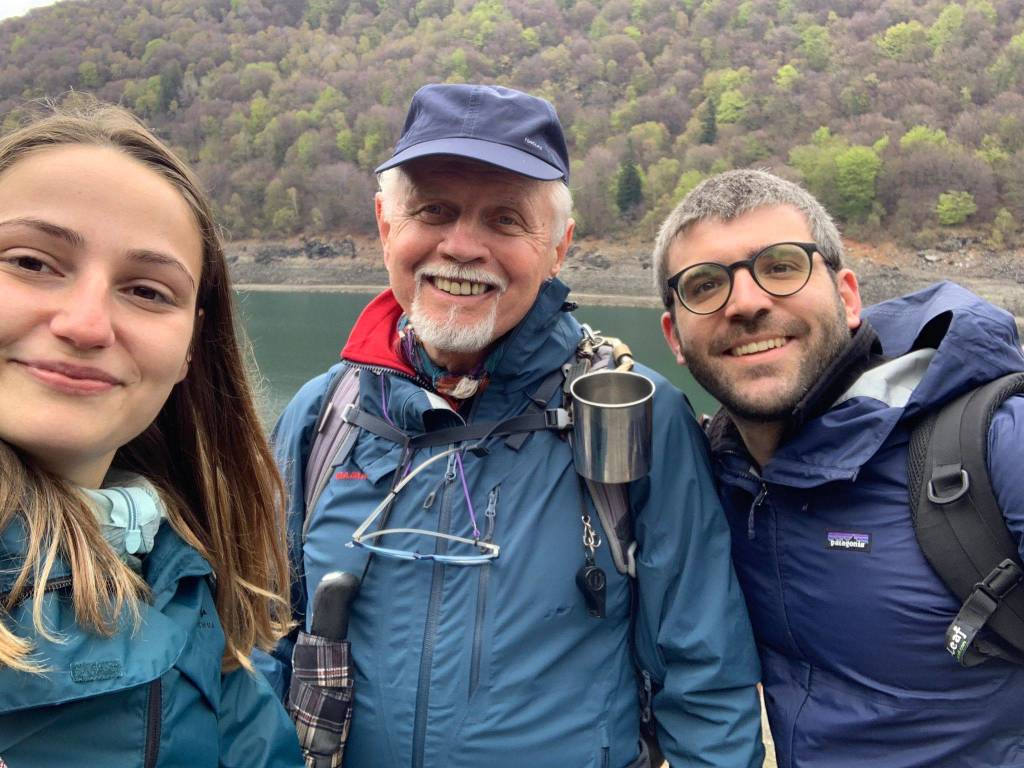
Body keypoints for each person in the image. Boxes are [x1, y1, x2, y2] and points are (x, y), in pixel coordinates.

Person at [265, 83, 764, 768]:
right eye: (433, 210)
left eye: (505, 220)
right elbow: (259, 641)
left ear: (558, 247)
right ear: (386, 224)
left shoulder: (637, 414)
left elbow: (705, 678)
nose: (463, 247)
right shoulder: (322, 416)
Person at [654, 168, 1024, 767]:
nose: (746, 303)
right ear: (674, 335)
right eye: (704, 285)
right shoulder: (712, 477)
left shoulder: (995, 444)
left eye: (780, 266)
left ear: (848, 296)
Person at [0, 99, 303, 767]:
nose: (84, 323)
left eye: (146, 291)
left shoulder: (185, 565)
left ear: (194, 345)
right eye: (30, 261)